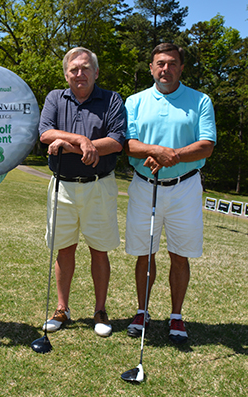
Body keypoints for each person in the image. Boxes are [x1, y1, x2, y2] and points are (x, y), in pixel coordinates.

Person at [124, 43, 216, 344]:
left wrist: (170, 155)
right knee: (144, 254)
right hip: (144, 185)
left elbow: (206, 145)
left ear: (181, 67)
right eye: (160, 63)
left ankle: (176, 316)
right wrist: (154, 151)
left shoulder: (200, 101)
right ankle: (142, 310)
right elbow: (128, 144)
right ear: (151, 68)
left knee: (180, 254)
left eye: (172, 63)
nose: (166, 69)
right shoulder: (135, 101)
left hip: (185, 187)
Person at [38, 47, 126, 337]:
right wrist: (82, 141)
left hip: (98, 185)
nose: (80, 73)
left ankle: (100, 310)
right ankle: (62, 309)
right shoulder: (54, 97)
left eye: (86, 68)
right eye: (74, 69)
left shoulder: (112, 99)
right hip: (62, 185)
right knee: (64, 249)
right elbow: (45, 133)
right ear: (66, 73)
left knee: (99, 250)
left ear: (96, 72)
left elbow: (115, 141)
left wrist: (68, 144)